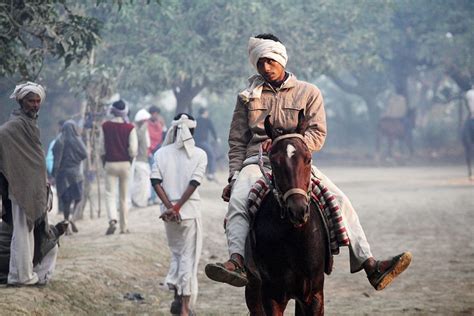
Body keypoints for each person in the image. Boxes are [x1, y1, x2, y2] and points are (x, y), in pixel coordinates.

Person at [204, 34, 412, 291]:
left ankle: (370, 264)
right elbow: (237, 141)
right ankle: (236, 261)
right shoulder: (247, 97)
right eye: (260, 63)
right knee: (238, 201)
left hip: (296, 161)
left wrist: (288, 144)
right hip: (256, 161)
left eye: (269, 61)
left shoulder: (309, 92)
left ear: (281, 59)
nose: (265, 68)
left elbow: (317, 134)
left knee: (339, 199)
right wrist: (234, 177)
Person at [0, 81, 63, 285]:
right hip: (19, 188)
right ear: (21, 102)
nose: (35, 105)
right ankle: (21, 276)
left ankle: (20, 274)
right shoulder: (13, 127)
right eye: (30, 101)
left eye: (37, 101)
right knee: (21, 232)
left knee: (27, 233)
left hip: (33, 189)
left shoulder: (30, 125)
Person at [151, 113, 207, 316]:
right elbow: (194, 183)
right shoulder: (199, 154)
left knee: (176, 253)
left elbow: (155, 181)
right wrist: (178, 207)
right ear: (192, 131)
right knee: (188, 259)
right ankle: (184, 308)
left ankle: (176, 297)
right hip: (189, 212)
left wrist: (169, 207)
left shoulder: (161, 153)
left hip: (167, 214)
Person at [101, 100, 138, 235]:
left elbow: (101, 148)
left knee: (110, 194)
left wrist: (103, 161)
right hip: (125, 165)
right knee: (123, 197)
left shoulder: (105, 126)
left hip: (110, 163)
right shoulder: (130, 127)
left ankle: (112, 219)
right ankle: (124, 227)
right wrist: (129, 161)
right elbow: (133, 150)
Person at [52, 120, 87, 234]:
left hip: (62, 175)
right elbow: (84, 154)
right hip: (76, 174)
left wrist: (53, 174)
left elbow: (56, 161)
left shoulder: (58, 141)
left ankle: (66, 224)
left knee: (66, 201)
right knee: (78, 198)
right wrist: (76, 161)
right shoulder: (77, 141)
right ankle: (72, 217)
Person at [131, 109, 152, 208]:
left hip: (143, 159)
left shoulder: (142, 128)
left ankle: (140, 201)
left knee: (142, 182)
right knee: (141, 182)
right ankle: (137, 201)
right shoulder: (137, 128)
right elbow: (138, 138)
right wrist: (144, 127)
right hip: (139, 160)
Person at [195, 107, 220, 181]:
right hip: (203, 142)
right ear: (205, 112)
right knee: (212, 156)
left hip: (194, 143)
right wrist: (216, 139)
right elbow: (212, 130)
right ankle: (211, 173)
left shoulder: (196, 120)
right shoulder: (207, 120)